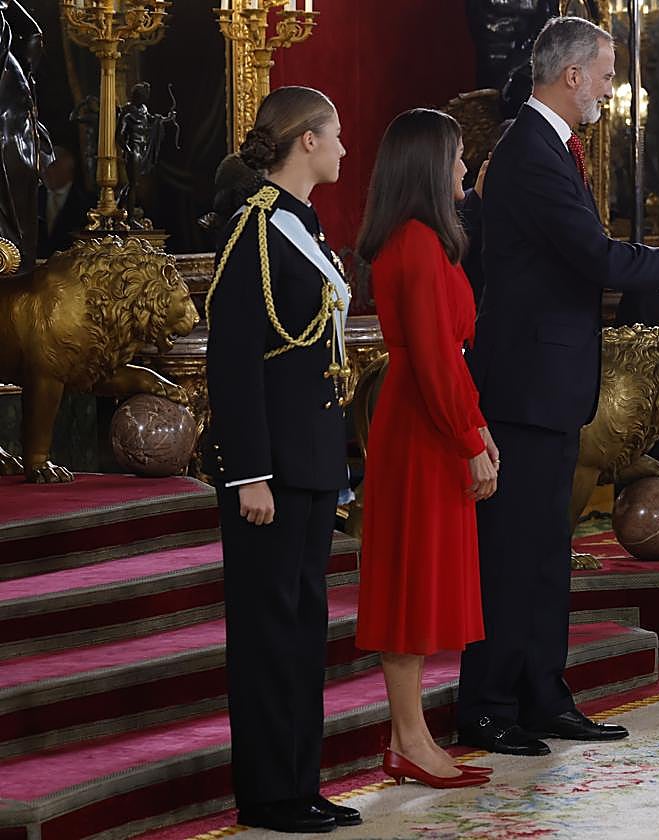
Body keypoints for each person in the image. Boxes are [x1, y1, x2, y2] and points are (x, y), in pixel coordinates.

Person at [457, 15, 659, 757]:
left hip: (551, 381)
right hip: (524, 385)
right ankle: (486, 705)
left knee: (547, 551)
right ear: (572, 74)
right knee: (514, 555)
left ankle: (543, 694)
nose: (612, 88)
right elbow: (593, 256)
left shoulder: (550, 146)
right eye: (607, 74)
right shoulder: (531, 152)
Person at [204, 86, 360, 833]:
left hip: (312, 459)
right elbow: (234, 363)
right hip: (270, 471)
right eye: (335, 136)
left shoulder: (304, 226)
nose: (342, 148)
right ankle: (269, 794)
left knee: (302, 631)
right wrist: (249, 472)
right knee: (269, 634)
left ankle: (302, 782)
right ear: (305, 141)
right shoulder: (253, 230)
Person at [354, 109, 496, 789]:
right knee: (409, 582)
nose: (465, 167)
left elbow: (449, 357)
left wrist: (476, 426)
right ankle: (408, 739)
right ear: (430, 167)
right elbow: (437, 357)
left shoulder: (424, 239)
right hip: (419, 426)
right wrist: (467, 434)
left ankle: (410, 736)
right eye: (459, 156)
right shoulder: (412, 242)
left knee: (420, 579)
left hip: (431, 416)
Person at [37, 145, 92, 258]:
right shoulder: (33, 197)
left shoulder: (87, 202)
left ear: (69, 169)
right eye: (42, 166)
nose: (44, 171)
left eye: (52, 166)